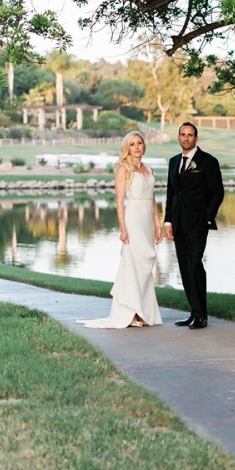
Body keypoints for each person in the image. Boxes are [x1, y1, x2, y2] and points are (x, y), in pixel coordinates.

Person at [77, 131, 164, 328]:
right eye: (132, 144)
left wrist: (158, 225)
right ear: (127, 147)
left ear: (144, 146)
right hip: (133, 219)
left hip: (147, 220)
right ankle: (130, 313)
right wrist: (123, 229)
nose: (137, 147)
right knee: (132, 265)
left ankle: (142, 310)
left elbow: (152, 200)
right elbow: (118, 202)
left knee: (145, 264)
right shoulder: (123, 168)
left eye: (139, 143)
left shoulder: (148, 169)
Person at [164, 122, 225, 330]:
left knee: (194, 265)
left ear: (196, 139)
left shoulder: (208, 161)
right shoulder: (173, 162)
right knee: (184, 268)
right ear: (178, 137)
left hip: (198, 224)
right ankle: (194, 312)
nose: (187, 138)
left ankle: (201, 315)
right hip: (178, 225)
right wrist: (168, 221)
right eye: (183, 134)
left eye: (190, 135)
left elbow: (217, 192)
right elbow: (171, 194)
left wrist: (207, 218)